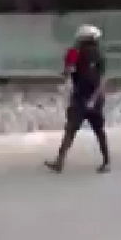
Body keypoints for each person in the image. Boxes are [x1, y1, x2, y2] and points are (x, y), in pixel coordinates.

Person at [45, 25, 110, 173]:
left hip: (84, 97)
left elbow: (68, 73)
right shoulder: (94, 55)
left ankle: (60, 162)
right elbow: (101, 79)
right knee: (94, 130)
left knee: (74, 130)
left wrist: (67, 69)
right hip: (89, 98)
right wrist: (94, 98)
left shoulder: (80, 53)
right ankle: (106, 162)